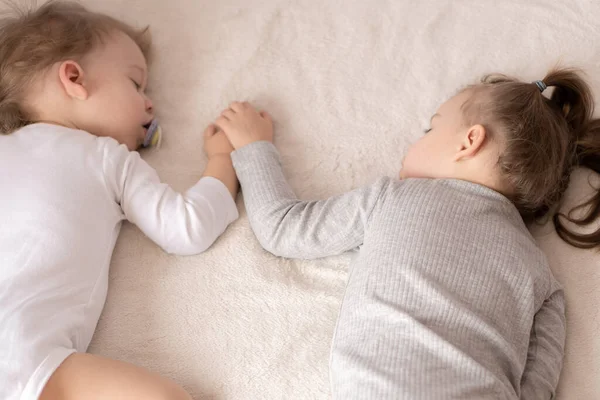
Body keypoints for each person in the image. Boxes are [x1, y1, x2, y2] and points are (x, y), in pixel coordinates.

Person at [215, 68, 600, 399]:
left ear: (469, 141)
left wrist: (253, 145)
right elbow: (537, 388)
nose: (415, 141)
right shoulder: (542, 275)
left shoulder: (396, 197)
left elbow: (283, 227)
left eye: (430, 127)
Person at [0, 2, 239, 399]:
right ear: (74, 77)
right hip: (26, 352)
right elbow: (187, 227)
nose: (151, 104)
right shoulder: (107, 157)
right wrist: (223, 159)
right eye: (135, 83)